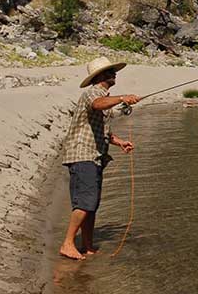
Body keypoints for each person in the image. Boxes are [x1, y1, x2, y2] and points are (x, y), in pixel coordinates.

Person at [58, 57, 141, 260]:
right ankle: (67, 244)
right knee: (86, 202)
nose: (114, 74)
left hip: (94, 156)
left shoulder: (104, 97)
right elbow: (97, 104)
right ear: (100, 76)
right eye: (110, 71)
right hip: (82, 154)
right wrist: (123, 98)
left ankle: (87, 245)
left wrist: (119, 142)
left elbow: (101, 131)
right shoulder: (93, 93)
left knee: (91, 204)